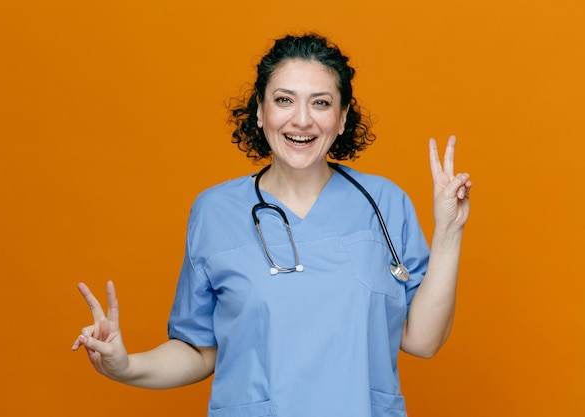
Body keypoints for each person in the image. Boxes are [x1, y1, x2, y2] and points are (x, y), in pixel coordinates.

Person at [72, 33, 472, 417]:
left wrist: (449, 231)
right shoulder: (214, 211)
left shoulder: (385, 203)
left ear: (343, 117)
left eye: (321, 103)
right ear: (260, 112)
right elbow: (198, 350)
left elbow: (422, 340)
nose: (302, 120)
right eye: (284, 100)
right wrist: (126, 366)